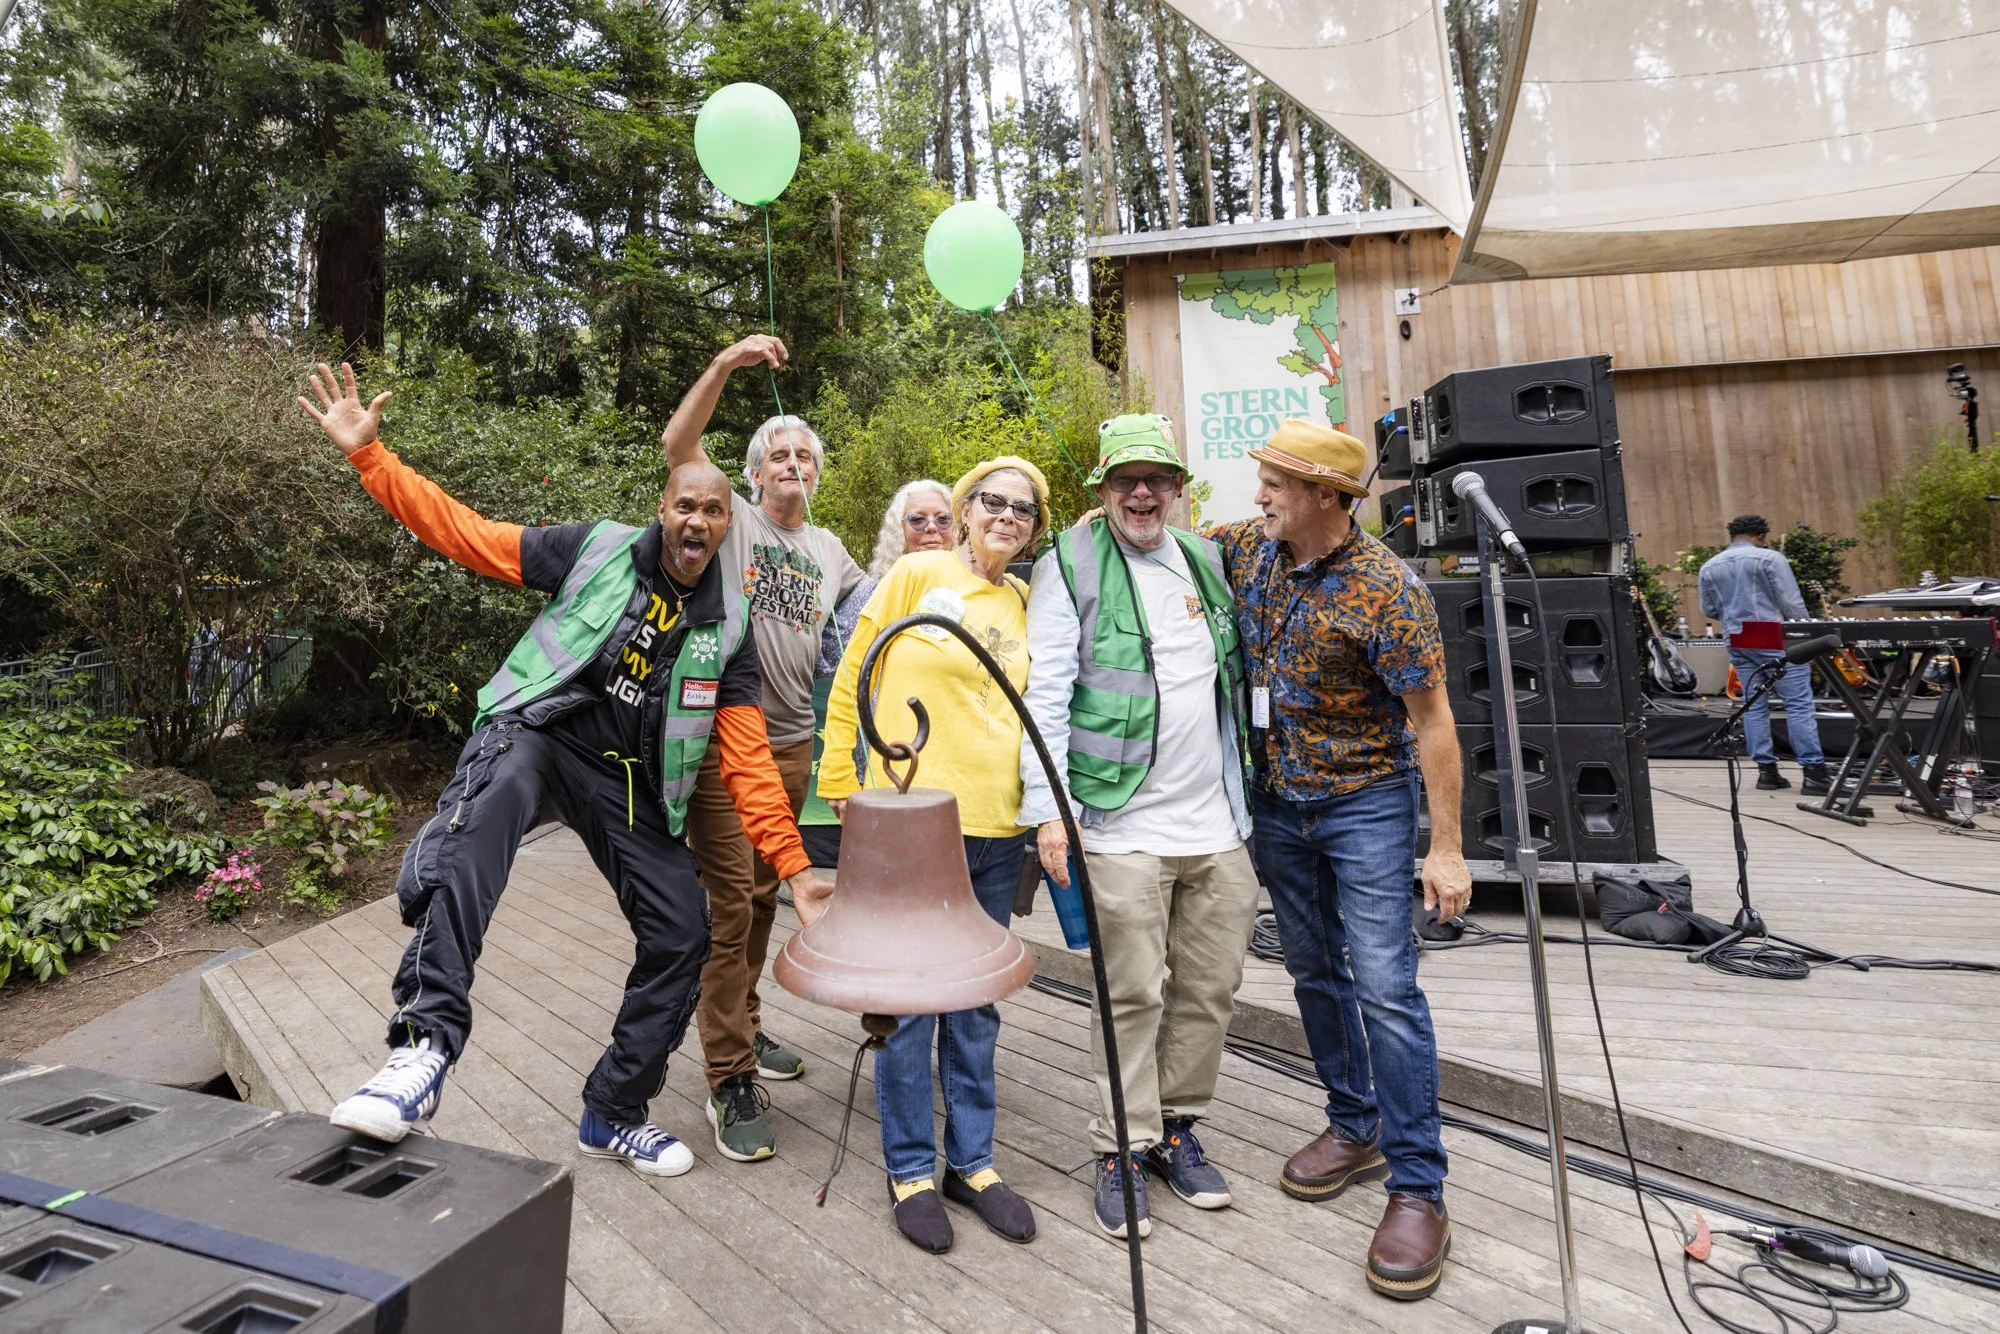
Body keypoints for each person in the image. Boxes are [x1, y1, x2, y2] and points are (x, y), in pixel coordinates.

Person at [299, 363, 829, 1178]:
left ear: (730, 526)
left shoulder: (732, 631)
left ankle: (615, 1108)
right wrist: (372, 459)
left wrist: (796, 869)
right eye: (685, 504)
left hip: (626, 783)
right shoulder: (595, 549)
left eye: (713, 510)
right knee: (489, 804)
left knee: (686, 927)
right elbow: (466, 534)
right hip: (540, 734)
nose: (697, 520)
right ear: (663, 509)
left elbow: (752, 765)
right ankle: (422, 1048)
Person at [1205, 418, 1471, 1303]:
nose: (1259, 495)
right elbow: (1152, 534)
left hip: (1364, 805)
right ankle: (1354, 1125)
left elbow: (1434, 724)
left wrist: (1446, 848)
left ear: (1327, 495)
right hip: (1278, 806)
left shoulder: (1389, 590)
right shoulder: (1246, 550)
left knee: (1386, 987)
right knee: (1315, 973)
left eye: (1276, 482)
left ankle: (1419, 1186)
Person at [1019, 414, 1259, 1241]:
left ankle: (1177, 1129)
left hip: (1218, 823)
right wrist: (1049, 810)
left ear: (1178, 488)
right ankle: (1120, 1145)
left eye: (1157, 477)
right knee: (1130, 994)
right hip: (1119, 824)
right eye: (1126, 480)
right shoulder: (1068, 564)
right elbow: (1044, 695)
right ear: (1103, 490)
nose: (1143, 492)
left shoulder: (1203, 559)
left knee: (1210, 988)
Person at [818, 457, 1049, 1256]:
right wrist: (839, 772)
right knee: (911, 1004)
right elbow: (855, 666)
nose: (1007, 515)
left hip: (995, 828)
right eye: (994, 500)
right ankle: (912, 1170)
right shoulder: (919, 573)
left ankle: (973, 1165)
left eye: (1025, 509)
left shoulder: (1024, 599)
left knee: (976, 1003)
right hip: (915, 825)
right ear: (965, 507)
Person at [659, 335, 866, 1163]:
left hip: (794, 744)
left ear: (816, 473)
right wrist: (723, 367)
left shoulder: (830, 552)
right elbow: (678, 449)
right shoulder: (732, 520)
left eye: (804, 456)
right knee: (731, 911)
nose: (792, 464)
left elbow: (882, 606)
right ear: (752, 474)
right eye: (777, 453)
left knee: (767, 902)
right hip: (724, 741)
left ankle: (743, 1024)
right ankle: (727, 1074)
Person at [798, 479, 956, 867]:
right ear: (897, 532)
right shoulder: (871, 594)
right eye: (916, 520)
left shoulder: (981, 590)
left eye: (942, 518)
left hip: (956, 762)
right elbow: (834, 667)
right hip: (888, 762)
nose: (931, 528)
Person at [1698, 515, 1830, 793]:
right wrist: (1811, 634)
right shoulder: (1770, 559)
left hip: (1737, 637)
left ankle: (1767, 772)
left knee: (1754, 703)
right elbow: (1790, 602)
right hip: (1773, 635)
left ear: (1732, 535)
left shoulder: (1710, 566)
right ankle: (1814, 774)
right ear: (1761, 535)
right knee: (1798, 704)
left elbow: (1709, 609)